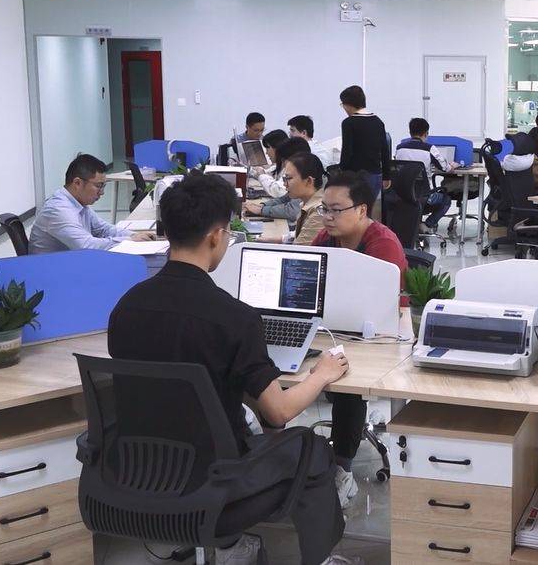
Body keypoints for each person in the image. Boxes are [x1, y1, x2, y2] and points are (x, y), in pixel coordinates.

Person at [106, 171, 347, 564]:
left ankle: (231, 547)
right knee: (313, 448)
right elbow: (279, 412)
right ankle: (321, 560)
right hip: (217, 490)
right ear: (216, 236)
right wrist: (321, 374)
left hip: (139, 477)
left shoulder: (125, 308)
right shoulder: (234, 318)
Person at [310, 171, 408, 508]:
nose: (327, 217)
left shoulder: (382, 244)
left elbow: (383, 306)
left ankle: (343, 469)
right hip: (330, 329)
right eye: (324, 209)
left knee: (347, 385)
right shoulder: (325, 239)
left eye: (336, 210)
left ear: (362, 210)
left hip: (375, 337)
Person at [30, 154, 154, 254]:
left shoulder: (78, 203)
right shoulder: (58, 210)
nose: (102, 192)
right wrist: (129, 240)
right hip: (51, 271)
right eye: (99, 186)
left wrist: (135, 235)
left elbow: (103, 229)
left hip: (69, 263)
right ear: (77, 183)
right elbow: (87, 246)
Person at [394, 117, 457, 234]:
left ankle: (415, 224)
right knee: (446, 200)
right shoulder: (429, 149)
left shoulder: (399, 148)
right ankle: (427, 225)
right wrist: (452, 166)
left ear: (410, 132)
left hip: (403, 194)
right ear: (426, 133)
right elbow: (446, 168)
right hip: (424, 195)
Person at [338, 85, 390, 205]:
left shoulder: (348, 123)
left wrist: (342, 171)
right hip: (376, 175)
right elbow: (384, 150)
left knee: (355, 210)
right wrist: (387, 176)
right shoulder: (378, 121)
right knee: (368, 210)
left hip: (356, 176)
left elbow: (347, 151)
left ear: (348, 104)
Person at [244, 137, 311, 223]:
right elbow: (285, 198)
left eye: (284, 160)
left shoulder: (304, 177)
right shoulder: (300, 174)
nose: (284, 164)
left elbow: (292, 211)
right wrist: (262, 206)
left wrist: (261, 210)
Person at [279, 152, 326, 245]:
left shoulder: (319, 211)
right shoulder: (307, 203)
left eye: (288, 178)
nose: (284, 184)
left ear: (309, 181)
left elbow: (300, 249)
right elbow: (297, 237)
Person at [248, 130, 290, 199]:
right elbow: (265, 173)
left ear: (277, 148)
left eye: (268, 149)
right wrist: (247, 168)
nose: (267, 153)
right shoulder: (279, 166)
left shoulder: (290, 168)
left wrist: (262, 175)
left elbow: (278, 191)